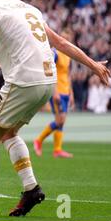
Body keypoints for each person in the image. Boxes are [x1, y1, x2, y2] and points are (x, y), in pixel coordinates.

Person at [0, 0, 111, 217]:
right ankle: (31, 188)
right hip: (48, 82)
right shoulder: (29, 9)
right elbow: (59, 42)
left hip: (24, 81)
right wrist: (92, 64)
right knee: (8, 132)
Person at [34, 30, 75, 158]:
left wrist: (71, 93)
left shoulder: (68, 55)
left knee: (62, 121)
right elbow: (48, 70)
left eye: (67, 38)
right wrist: (54, 91)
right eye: (63, 37)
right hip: (56, 91)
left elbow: (67, 75)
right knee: (60, 119)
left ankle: (57, 149)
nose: (65, 40)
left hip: (65, 91)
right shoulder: (54, 53)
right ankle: (39, 140)